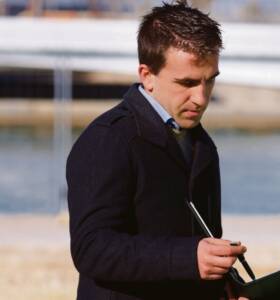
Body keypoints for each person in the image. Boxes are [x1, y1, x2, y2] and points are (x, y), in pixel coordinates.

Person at [66, 2, 246, 299]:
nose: (201, 98)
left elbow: (201, 242)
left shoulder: (201, 144)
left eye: (209, 80)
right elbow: (91, 248)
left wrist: (226, 279)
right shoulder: (108, 139)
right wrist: (188, 258)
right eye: (187, 82)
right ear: (147, 76)